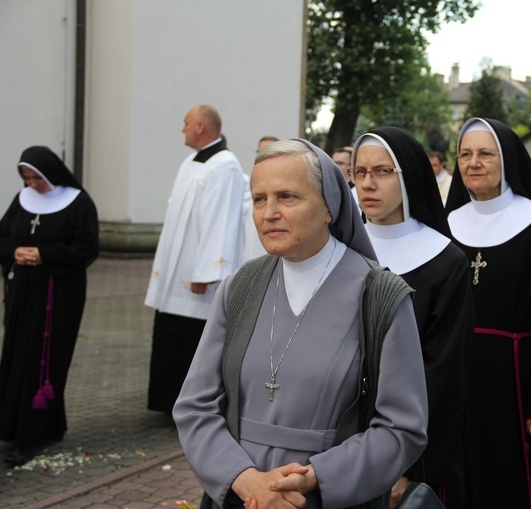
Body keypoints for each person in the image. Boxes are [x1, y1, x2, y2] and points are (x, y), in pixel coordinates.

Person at [173, 139, 428, 509]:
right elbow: (195, 406)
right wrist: (246, 482)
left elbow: (401, 428)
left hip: (329, 498)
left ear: (329, 207)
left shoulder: (380, 297)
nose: (268, 213)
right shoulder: (239, 288)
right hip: (238, 497)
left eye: (287, 197)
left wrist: (314, 479)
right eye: (259, 199)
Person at [444, 117, 531, 508]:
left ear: (506, 158)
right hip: (455, 378)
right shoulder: (447, 226)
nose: (473, 163)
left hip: (518, 384)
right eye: (465, 154)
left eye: (485, 154)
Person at [353, 127, 474, 506]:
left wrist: (410, 466)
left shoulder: (445, 261)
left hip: (411, 450)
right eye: (359, 173)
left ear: (410, 177)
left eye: (382, 172)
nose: (368, 184)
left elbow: (443, 376)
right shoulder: (340, 250)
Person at [145, 105, 250, 414]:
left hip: (197, 279)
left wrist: (206, 272)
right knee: (170, 334)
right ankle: (166, 400)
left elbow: (221, 220)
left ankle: (191, 404)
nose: (183, 129)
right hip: (178, 270)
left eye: (186, 123)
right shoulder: (192, 161)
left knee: (190, 339)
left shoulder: (225, 165)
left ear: (201, 127)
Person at [0, 146, 99, 467]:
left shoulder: (78, 202)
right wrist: (15, 252)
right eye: (26, 178)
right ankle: (47, 424)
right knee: (17, 355)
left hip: (59, 295)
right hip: (22, 291)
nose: (32, 184)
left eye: (36, 178)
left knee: (44, 359)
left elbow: (87, 247)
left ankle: (27, 436)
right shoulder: (22, 200)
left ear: (51, 173)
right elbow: (2, 236)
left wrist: (44, 255)